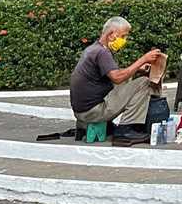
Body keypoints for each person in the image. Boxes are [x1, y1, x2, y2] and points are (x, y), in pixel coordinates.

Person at [69, 16, 163, 146]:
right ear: (111, 34)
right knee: (144, 83)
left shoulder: (94, 49)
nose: (124, 40)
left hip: (82, 112)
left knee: (127, 79)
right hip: (92, 112)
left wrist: (137, 69)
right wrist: (143, 60)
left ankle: (105, 126)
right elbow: (117, 77)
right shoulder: (102, 53)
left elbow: (116, 75)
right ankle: (126, 130)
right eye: (123, 36)